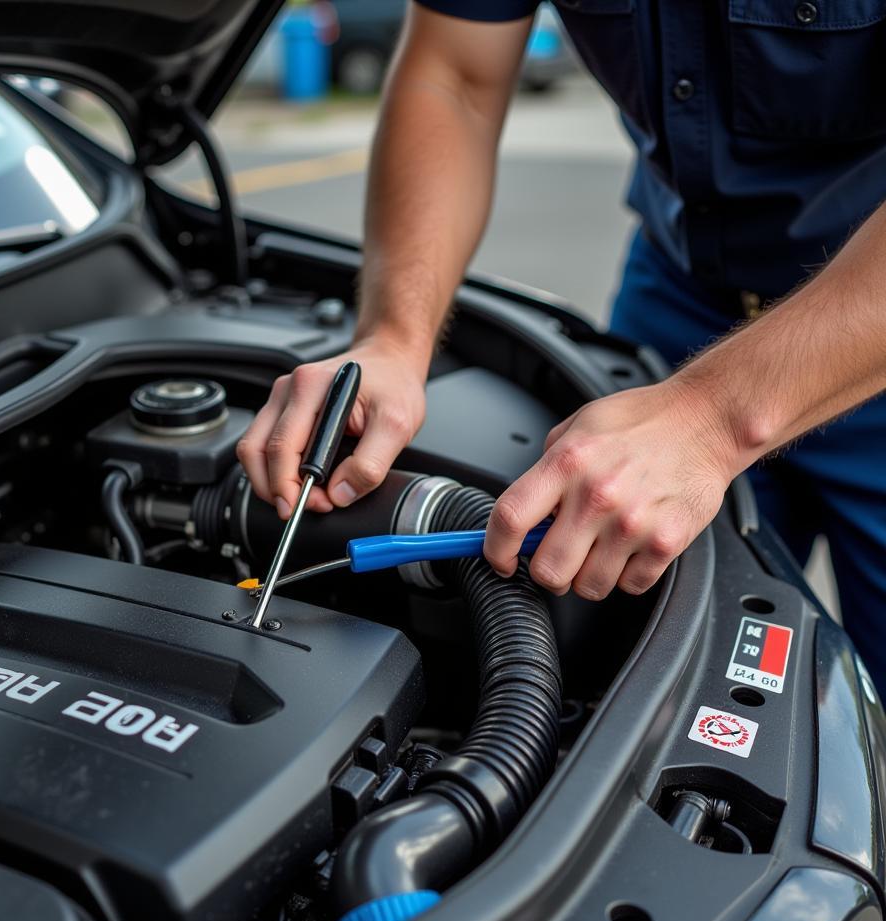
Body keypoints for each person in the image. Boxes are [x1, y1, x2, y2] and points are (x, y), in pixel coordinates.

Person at [237, 0, 886, 689]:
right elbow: (455, 75)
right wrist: (394, 335)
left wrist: (709, 419)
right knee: (642, 666)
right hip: (683, 305)